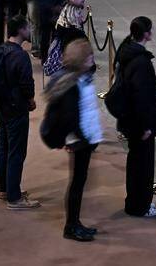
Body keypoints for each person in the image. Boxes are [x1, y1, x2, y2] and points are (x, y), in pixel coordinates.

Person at [42, 39, 102, 242]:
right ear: (81, 60)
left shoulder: (78, 78)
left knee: (79, 182)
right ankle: (71, 226)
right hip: (80, 141)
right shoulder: (72, 84)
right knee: (77, 183)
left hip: (80, 139)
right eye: (89, 56)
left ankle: (75, 223)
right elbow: (71, 118)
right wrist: (85, 139)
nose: (92, 59)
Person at [114, 16, 156, 218]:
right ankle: (140, 205)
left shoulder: (126, 50)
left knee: (135, 161)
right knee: (142, 165)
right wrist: (145, 126)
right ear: (146, 33)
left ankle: (135, 202)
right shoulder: (141, 62)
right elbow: (142, 96)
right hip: (139, 124)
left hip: (129, 120)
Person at [0, 15, 38, 209]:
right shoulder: (20, 55)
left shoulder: (0, 50)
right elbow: (26, 84)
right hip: (17, 108)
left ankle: (5, 189)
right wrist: (31, 100)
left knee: (4, 146)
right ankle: (14, 198)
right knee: (17, 151)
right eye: (28, 28)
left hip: (1, 106)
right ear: (20, 31)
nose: (30, 31)